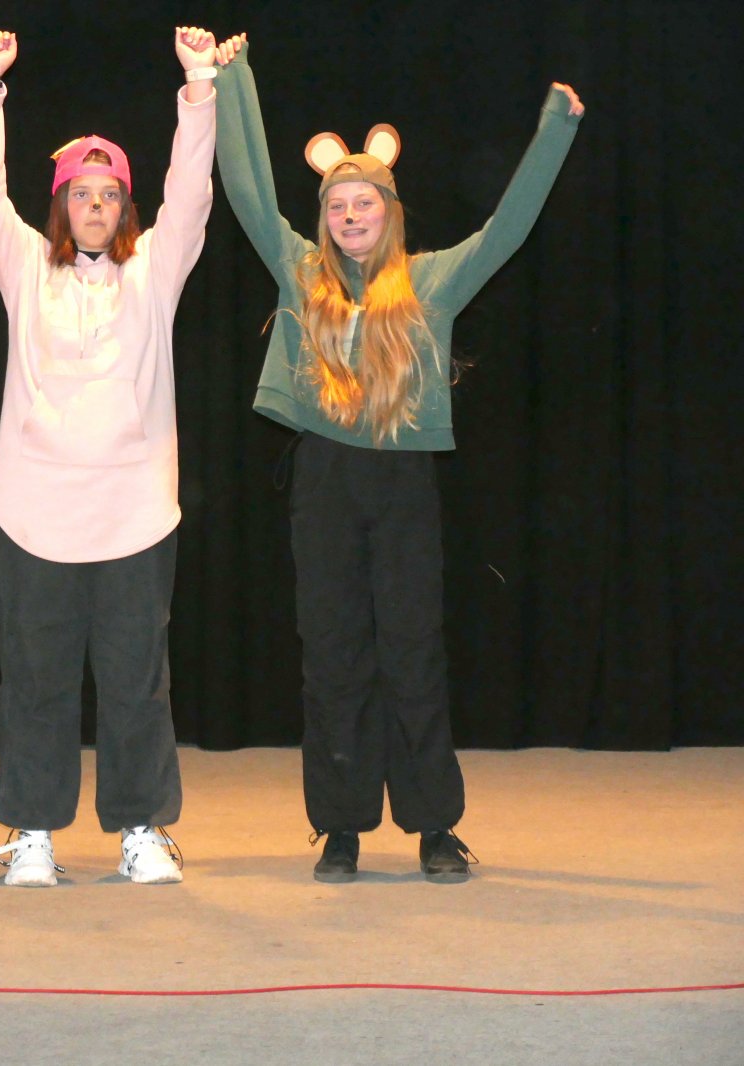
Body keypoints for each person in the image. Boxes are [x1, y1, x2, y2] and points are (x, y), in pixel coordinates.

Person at [211, 35, 584, 883]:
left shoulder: (431, 282)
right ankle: (341, 825)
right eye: (338, 205)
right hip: (325, 480)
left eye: (365, 203)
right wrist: (234, 79)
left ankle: (434, 825)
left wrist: (555, 131)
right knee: (332, 653)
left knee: (413, 650)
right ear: (325, 217)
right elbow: (247, 189)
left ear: (389, 210)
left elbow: (508, 229)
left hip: (402, 482)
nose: (351, 216)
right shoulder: (301, 272)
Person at [0, 28, 220, 887]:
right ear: (61, 205)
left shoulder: (156, 271)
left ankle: (142, 829)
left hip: (135, 515)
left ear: (125, 208)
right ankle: (32, 831)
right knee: (35, 680)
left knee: (137, 681)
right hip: (35, 512)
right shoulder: (26, 266)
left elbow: (192, 193)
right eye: (82, 194)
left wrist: (198, 88)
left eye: (110, 195)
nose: (96, 206)